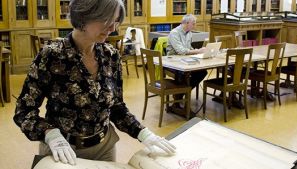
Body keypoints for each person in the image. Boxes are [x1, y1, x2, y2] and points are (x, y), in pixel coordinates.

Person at [13, 0, 175, 166]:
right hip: (63, 151)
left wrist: (143, 133)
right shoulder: (51, 56)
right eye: (107, 21)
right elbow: (23, 111)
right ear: (84, 16)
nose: (113, 28)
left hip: (104, 148)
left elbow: (116, 107)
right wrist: (49, 134)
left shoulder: (111, 56)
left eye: (116, 21)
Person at [166, 14, 207, 116]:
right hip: (172, 63)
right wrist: (197, 51)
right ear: (186, 23)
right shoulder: (174, 33)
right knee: (184, 74)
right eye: (193, 23)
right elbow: (180, 51)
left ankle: (180, 95)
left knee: (202, 72)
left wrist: (200, 52)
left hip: (184, 61)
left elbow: (188, 48)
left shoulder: (189, 33)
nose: (195, 25)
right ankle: (178, 99)